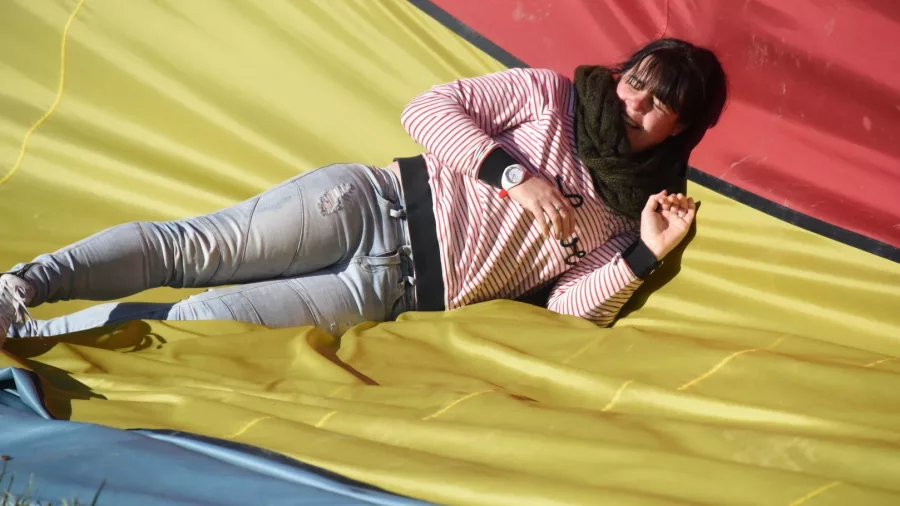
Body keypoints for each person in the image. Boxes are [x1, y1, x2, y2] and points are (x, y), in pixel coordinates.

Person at [0, 38, 728, 345]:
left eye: (656, 101)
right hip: (366, 207)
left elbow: (573, 310)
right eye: (637, 80)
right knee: (188, 249)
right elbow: (427, 109)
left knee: (201, 316)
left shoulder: (627, 221)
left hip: (389, 293)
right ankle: (19, 290)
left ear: (678, 128)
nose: (634, 101)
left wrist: (646, 258)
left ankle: (28, 339)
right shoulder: (547, 94)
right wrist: (515, 177)